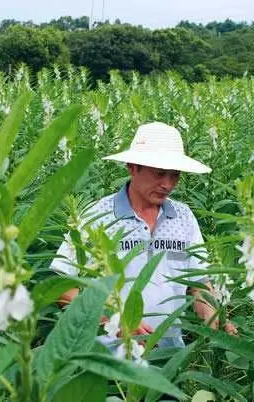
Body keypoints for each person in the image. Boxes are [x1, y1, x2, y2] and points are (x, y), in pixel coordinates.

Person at [50, 122, 237, 350]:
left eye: (175, 175)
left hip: (169, 356)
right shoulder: (97, 216)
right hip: (108, 358)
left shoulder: (183, 217)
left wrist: (213, 316)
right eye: (159, 174)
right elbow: (60, 287)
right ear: (132, 167)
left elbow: (198, 283)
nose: (167, 184)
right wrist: (116, 319)